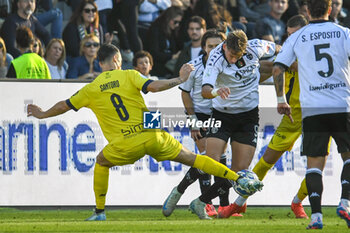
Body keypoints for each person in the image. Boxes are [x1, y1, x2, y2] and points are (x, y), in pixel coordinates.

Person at [26, 43, 263, 221]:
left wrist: (42, 113)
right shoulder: (129, 75)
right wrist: (179, 78)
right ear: (118, 59)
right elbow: (155, 87)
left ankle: (99, 212)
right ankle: (237, 177)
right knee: (195, 158)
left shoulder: (90, 89)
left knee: (101, 162)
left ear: (100, 64)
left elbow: (64, 105)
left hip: (124, 144)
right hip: (153, 135)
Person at [272, 0, 350, 229]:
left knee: (314, 164)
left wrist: (280, 100)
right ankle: (345, 202)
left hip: (312, 108)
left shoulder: (297, 37)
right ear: (329, 9)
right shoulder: (344, 33)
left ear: (307, 11)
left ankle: (316, 216)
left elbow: (278, 68)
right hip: (341, 105)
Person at [227, 14, 312, 219]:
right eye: (289, 35)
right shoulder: (288, 53)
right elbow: (272, 69)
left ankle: (297, 202)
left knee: (315, 164)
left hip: (318, 114)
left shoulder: (312, 53)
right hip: (293, 115)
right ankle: (240, 202)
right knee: (267, 160)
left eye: (296, 35)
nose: (291, 39)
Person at [188, 30, 278, 219]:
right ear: (225, 46)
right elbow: (205, 90)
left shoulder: (257, 47)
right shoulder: (215, 58)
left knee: (237, 174)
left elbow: (278, 48)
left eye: (238, 56)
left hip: (248, 116)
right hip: (222, 115)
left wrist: (286, 56)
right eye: (231, 55)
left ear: (245, 50)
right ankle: (180, 191)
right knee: (212, 163)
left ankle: (200, 202)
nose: (232, 59)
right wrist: (215, 92)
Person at [162, 29, 226, 218]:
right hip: (200, 115)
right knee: (207, 158)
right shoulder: (194, 67)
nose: (213, 50)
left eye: (217, 46)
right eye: (210, 46)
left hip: (222, 114)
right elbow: (185, 93)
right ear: (204, 47)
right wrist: (193, 121)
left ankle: (222, 204)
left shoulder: (228, 65)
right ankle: (204, 202)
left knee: (221, 159)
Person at [145, 6, 183, 78]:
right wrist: (172, 56)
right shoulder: (155, 30)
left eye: (179, 22)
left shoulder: (172, 31)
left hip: (168, 68)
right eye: (175, 22)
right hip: (157, 69)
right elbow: (154, 53)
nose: (177, 25)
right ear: (168, 19)